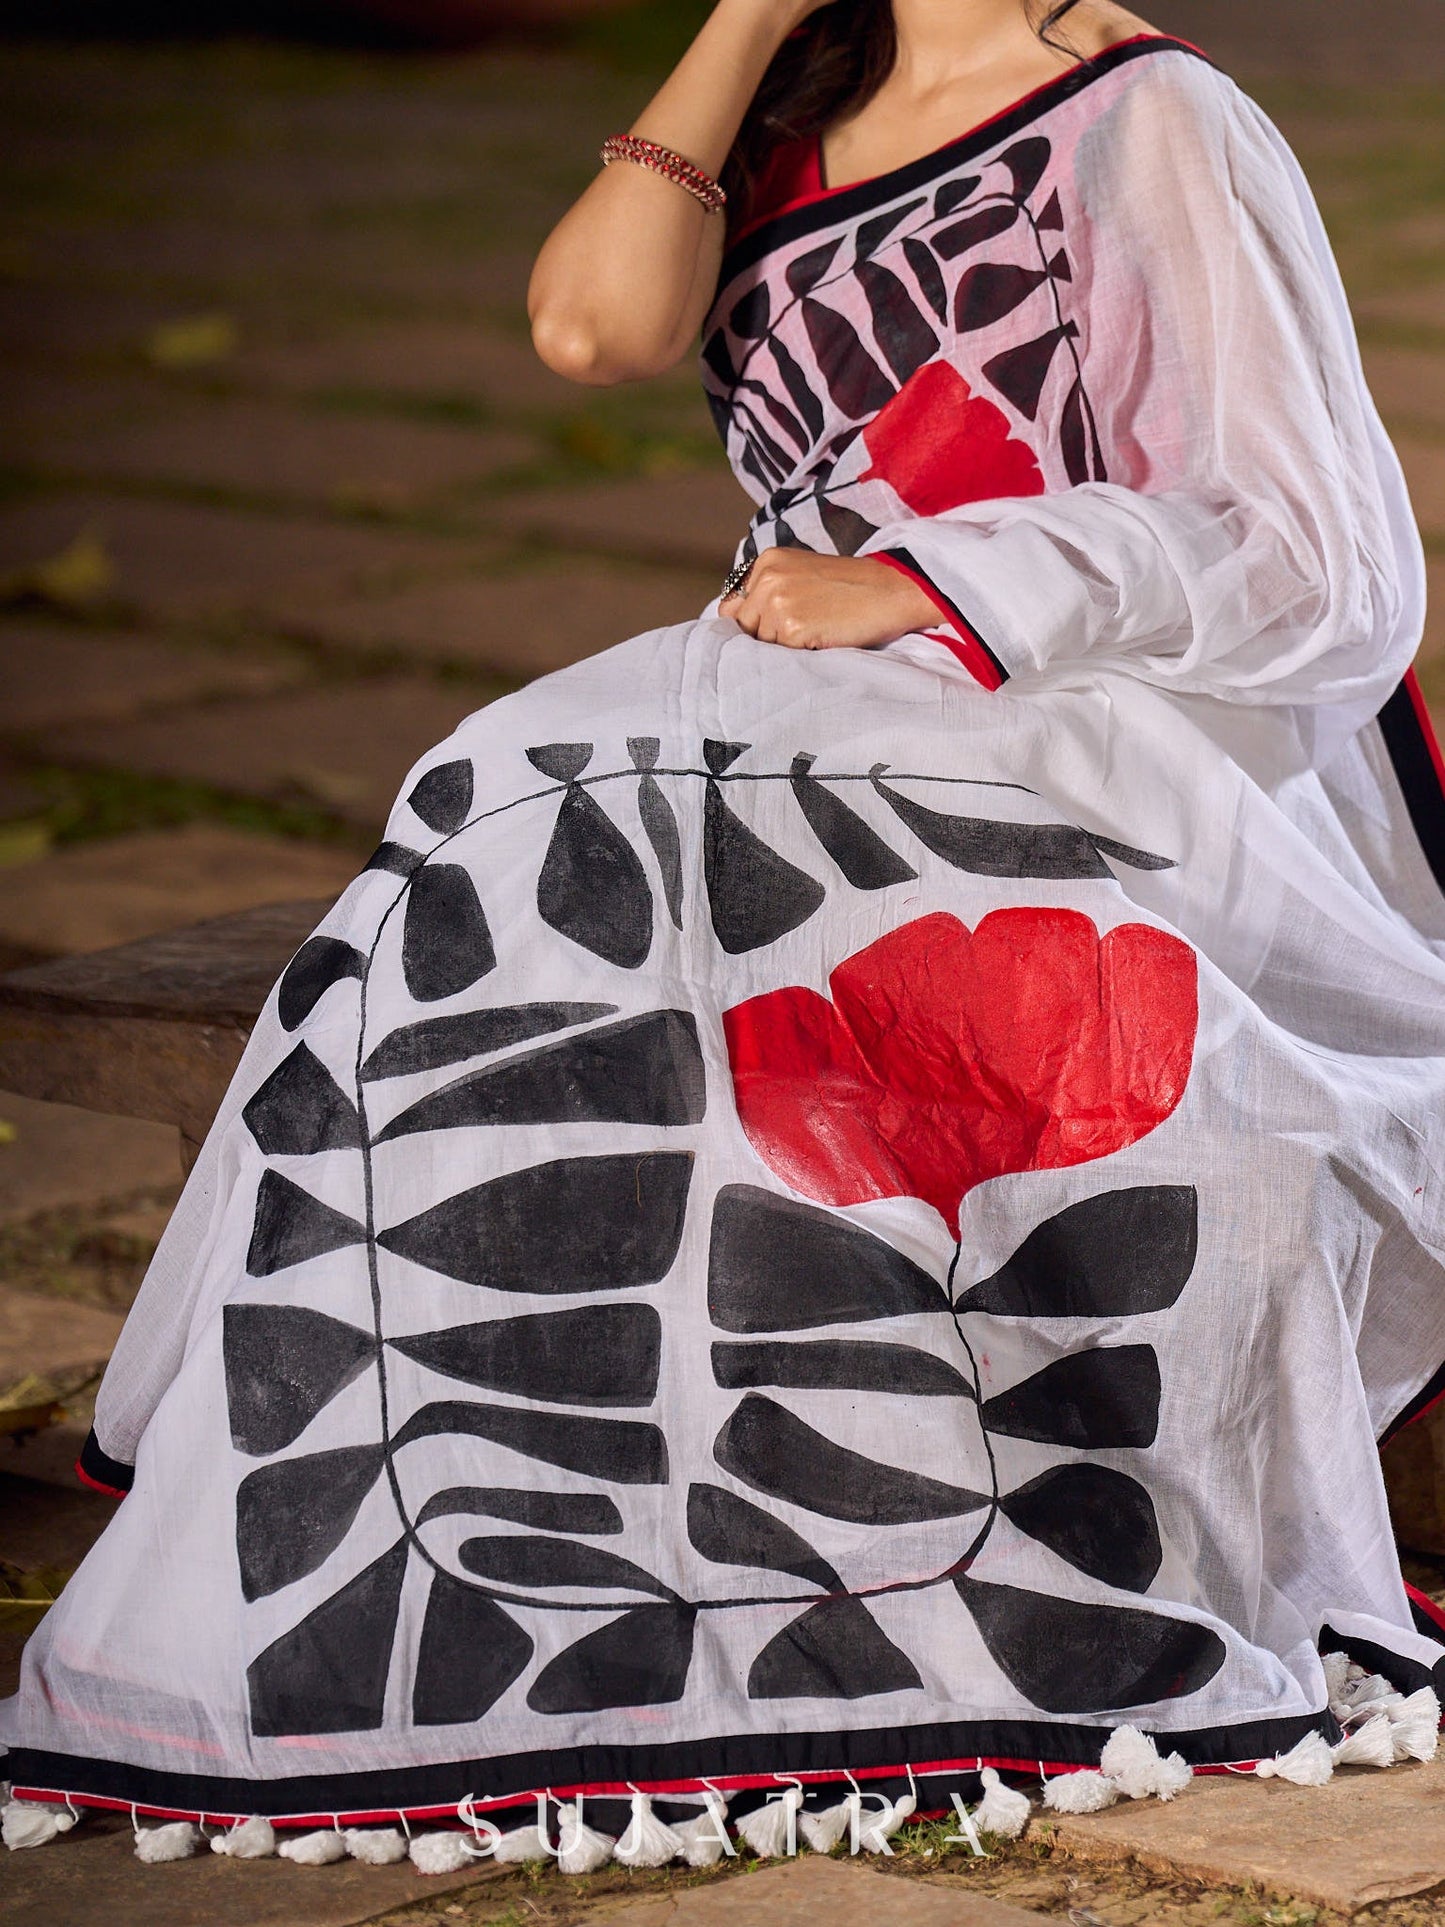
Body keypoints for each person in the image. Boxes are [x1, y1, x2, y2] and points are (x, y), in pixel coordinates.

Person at [3, 0, 1443, 1846]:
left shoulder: (1144, 113)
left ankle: (896, 1556)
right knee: (507, 804)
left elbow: (1320, 557)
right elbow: (587, 324)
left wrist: (929, 581)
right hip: (799, 690)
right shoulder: (778, 122)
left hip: (1092, 713)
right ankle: (507, 1529)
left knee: (718, 880)